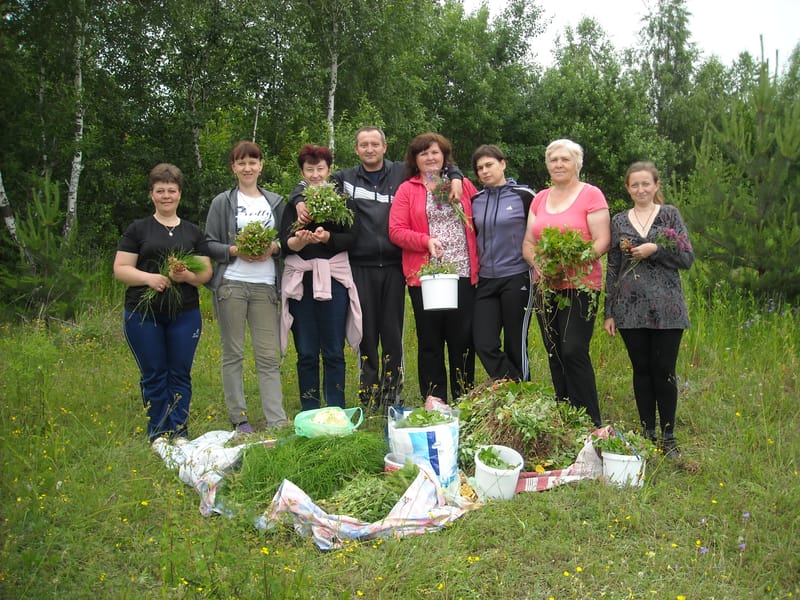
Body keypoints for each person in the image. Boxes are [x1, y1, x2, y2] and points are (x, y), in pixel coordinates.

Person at [295, 126, 465, 413]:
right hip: (359, 265)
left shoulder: (401, 173)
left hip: (395, 265)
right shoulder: (343, 179)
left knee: (392, 332)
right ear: (356, 149)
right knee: (365, 332)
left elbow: (439, 163)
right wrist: (299, 200)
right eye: (364, 145)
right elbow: (310, 182)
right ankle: (369, 394)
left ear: (385, 147)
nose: (370, 149)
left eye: (375, 144)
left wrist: (457, 176)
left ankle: (392, 394)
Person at [113, 163, 212, 445]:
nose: (166, 195)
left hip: (185, 314)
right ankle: (158, 432)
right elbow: (121, 268)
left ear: (180, 194)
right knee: (154, 373)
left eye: (171, 190)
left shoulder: (193, 232)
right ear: (151, 194)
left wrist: (186, 275)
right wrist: (149, 278)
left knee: (180, 372)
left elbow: (205, 273)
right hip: (143, 314)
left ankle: (179, 431)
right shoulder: (138, 229)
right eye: (160, 190)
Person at [604, 161, 694, 457]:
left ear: (656, 186)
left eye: (646, 184)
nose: (640, 189)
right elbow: (614, 266)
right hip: (629, 309)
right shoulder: (618, 220)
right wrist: (609, 311)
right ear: (628, 188)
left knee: (664, 371)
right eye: (634, 185)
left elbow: (687, 258)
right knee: (641, 371)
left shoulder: (669, 215)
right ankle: (647, 432)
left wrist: (656, 249)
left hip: (668, 307)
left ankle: (668, 436)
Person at [521, 139, 610, 427]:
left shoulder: (591, 195)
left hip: (580, 284)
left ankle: (590, 420)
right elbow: (528, 243)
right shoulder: (540, 198)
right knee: (554, 350)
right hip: (545, 286)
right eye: (553, 159)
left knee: (573, 349)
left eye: (565, 159)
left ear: (577, 164)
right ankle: (565, 414)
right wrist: (539, 264)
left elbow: (602, 241)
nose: (559, 164)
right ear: (547, 164)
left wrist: (570, 264)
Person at [389, 132, 479, 404]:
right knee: (430, 341)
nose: (430, 157)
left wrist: (458, 178)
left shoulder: (462, 185)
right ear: (415, 160)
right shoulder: (407, 189)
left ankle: (464, 400)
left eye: (435, 152)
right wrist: (425, 240)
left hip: (462, 272)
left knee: (463, 341)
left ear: (444, 156)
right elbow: (395, 231)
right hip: (426, 277)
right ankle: (434, 400)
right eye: (423, 153)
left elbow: (480, 214)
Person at [204, 141, 287, 434]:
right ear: (233, 167)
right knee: (234, 353)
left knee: (268, 355)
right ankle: (239, 419)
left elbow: (287, 242)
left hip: (265, 287)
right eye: (241, 163)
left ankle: (277, 421)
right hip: (232, 286)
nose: (247, 167)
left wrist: (273, 248)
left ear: (261, 165)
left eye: (253, 162)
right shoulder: (222, 202)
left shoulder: (275, 202)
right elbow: (209, 243)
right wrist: (235, 249)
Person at [279, 145, 362, 411]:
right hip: (301, 283)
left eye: (320, 169)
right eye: (309, 170)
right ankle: (310, 408)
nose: (315, 175)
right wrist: (298, 243)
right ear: (302, 171)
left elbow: (352, 237)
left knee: (334, 350)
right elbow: (283, 243)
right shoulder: (294, 204)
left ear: (329, 170)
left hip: (333, 280)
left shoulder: (343, 201)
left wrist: (328, 238)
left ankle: (336, 407)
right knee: (306, 350)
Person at [471, 144, 536, 381]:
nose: (485, 171)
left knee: (514, 342)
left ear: (503, 164)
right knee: (483, 342)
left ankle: (523, 399)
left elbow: (541, 231)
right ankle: (514, 387)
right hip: (487, 279)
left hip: (517, 276)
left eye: (489, 165)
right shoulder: (475, 200)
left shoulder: (525, 196)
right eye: (480, 168)